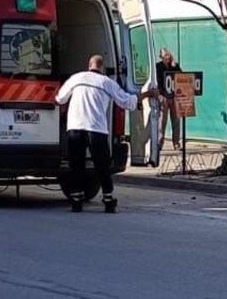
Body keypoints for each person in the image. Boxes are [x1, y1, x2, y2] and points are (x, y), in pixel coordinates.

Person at [56, 55, 156, 213]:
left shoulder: (76, 78)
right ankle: (108, 199)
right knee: (102, 166)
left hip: (75, 127)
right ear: (102, 68)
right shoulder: (107, 82)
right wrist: (147, 94)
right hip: (96, 129)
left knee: (76, 165)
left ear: (88, 65)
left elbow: (60, 99)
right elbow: (127, 102)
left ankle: (76, 200)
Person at [154, 48, 182, 160]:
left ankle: (176, 143)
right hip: (164, 97)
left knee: (176, 120)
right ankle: (160, 143)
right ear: (161, 56)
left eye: (169, 55)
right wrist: (161, 95)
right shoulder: (158, 67)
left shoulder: (174, 65)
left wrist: (175, 65)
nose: (167, 57)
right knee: (162, 121)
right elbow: (157, 82)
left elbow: (181, 77)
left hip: (174, 96)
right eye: (165, 55)